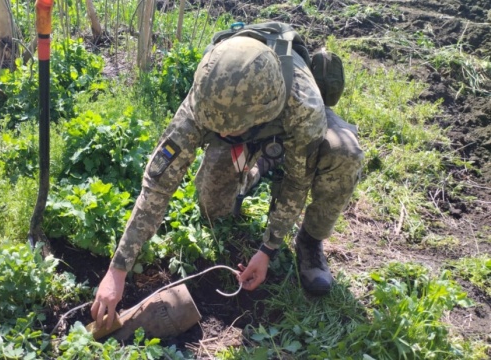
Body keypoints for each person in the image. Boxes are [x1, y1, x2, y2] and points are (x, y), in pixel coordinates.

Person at [91, 36, 364, 330]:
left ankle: (310, 241)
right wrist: (117, 269)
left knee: (344, 153)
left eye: (229, 129)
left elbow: (298, 182)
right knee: (213, 207)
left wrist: (268, 249)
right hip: (246, 127)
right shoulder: (207, 98)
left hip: (286, 127)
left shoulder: (305, 108)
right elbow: (158, 185)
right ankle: (258, 166)